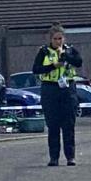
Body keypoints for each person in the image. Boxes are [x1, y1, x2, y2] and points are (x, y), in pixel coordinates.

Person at [32, 25, 83, 166]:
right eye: (55, 39)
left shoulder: (70, 50)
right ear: (50, 39)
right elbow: (36, 69)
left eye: (60, 38)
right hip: (50, 89)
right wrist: (53, 66)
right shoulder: (43, 52)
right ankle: (54, 158)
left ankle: (70, 157)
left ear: (64, 38)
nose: (58, 41)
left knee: (69, 125)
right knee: (53, 125)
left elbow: (78, 62)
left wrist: (65, 56)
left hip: (67, 89)